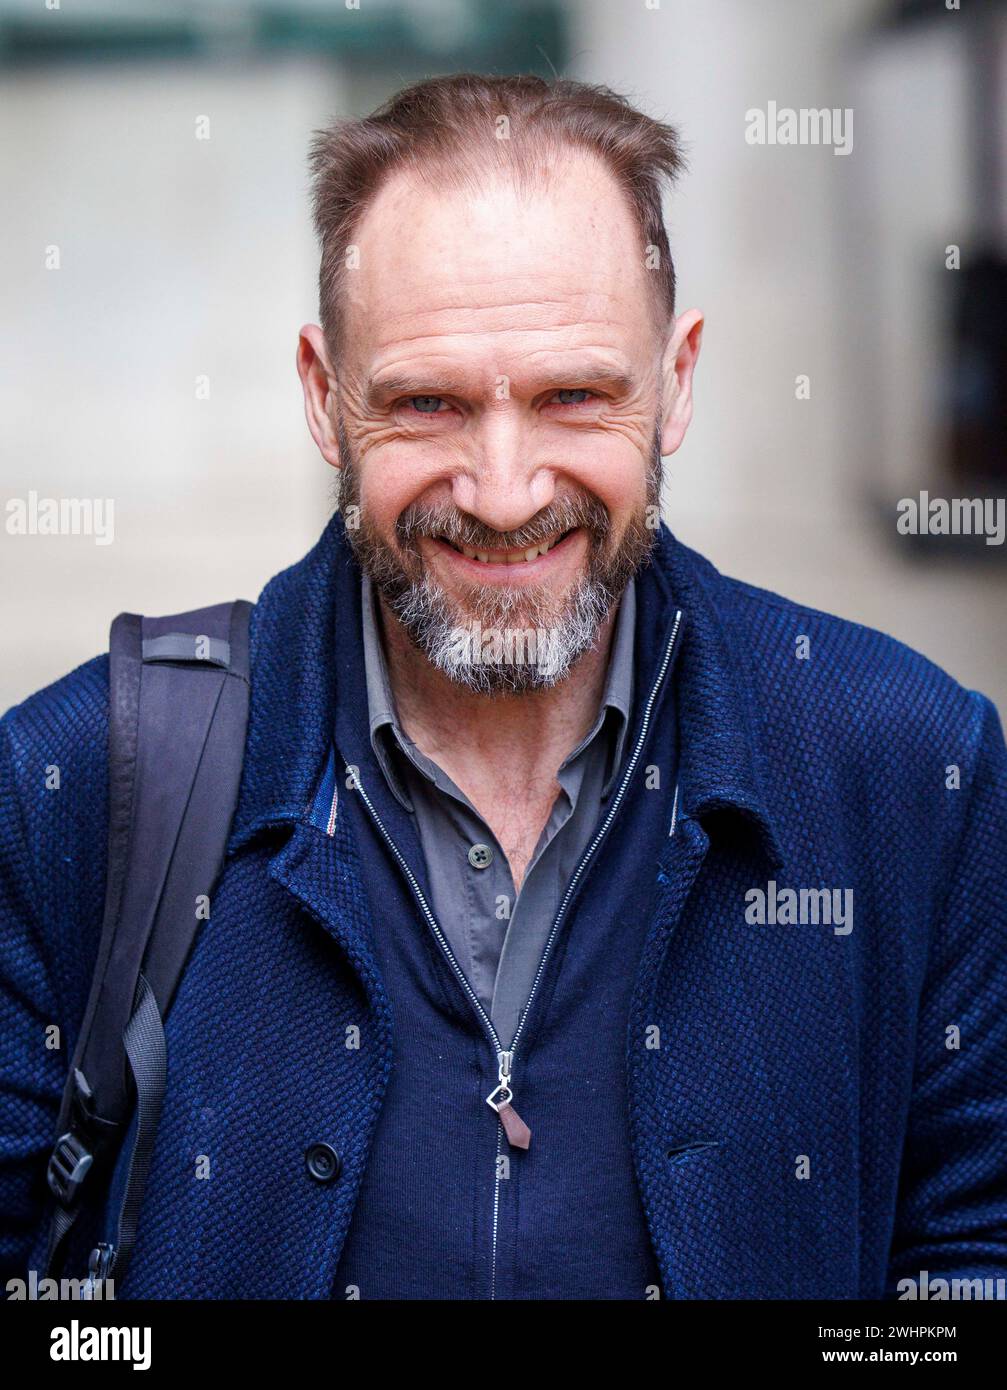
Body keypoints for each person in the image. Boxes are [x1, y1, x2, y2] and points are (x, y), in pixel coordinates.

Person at [2, 74, 1005, 1301]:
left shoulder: (915, 769)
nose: (504, 488)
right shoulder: (74, 788)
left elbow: (970, 1258)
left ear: (676, 380)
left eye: (570, 396)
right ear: (324, 397)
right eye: (426, 403)